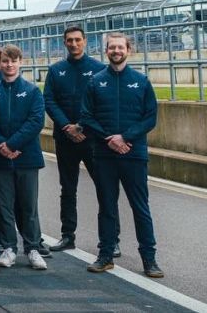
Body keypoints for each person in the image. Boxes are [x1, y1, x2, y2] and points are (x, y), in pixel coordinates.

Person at [81, 32, 162, 278]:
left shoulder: (141, 81)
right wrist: (110, 139)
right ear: (106, 51)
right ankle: (105, 256)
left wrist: (125, 138)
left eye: (120, 47)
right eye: (111, 47)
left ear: (128, 49)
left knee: (140, 207)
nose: (116, 51)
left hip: (133, 154)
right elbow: (86, 117)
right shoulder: (95, 82)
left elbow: (150, 117)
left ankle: (149, 259)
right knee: (107, 207)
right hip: (105, 155)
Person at [43, 25, 114, 254]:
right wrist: (67, 127)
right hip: (65, 139)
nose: (73, 44)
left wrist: (81, 126)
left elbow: (101, 103)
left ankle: (112, 240)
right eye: (69, 40)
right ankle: (67, 236)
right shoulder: (56, 71)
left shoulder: (99, 69)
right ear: (64, 43)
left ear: (84, 41)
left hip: (92, 138)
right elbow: (50, 101)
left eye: (77, 40)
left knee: (104, 188)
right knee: (68, 189)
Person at [0, 44, 47, 270]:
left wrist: (12, 144)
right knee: (4, 206)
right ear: (0, 63)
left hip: (26, 157)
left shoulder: (32, 91)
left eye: (13, 60)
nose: (9, 65)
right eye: (5, 60)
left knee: (28, 206)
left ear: (20, 61)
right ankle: (9, 247)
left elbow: (35, 121)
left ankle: (32, 248)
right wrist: (1, 144)